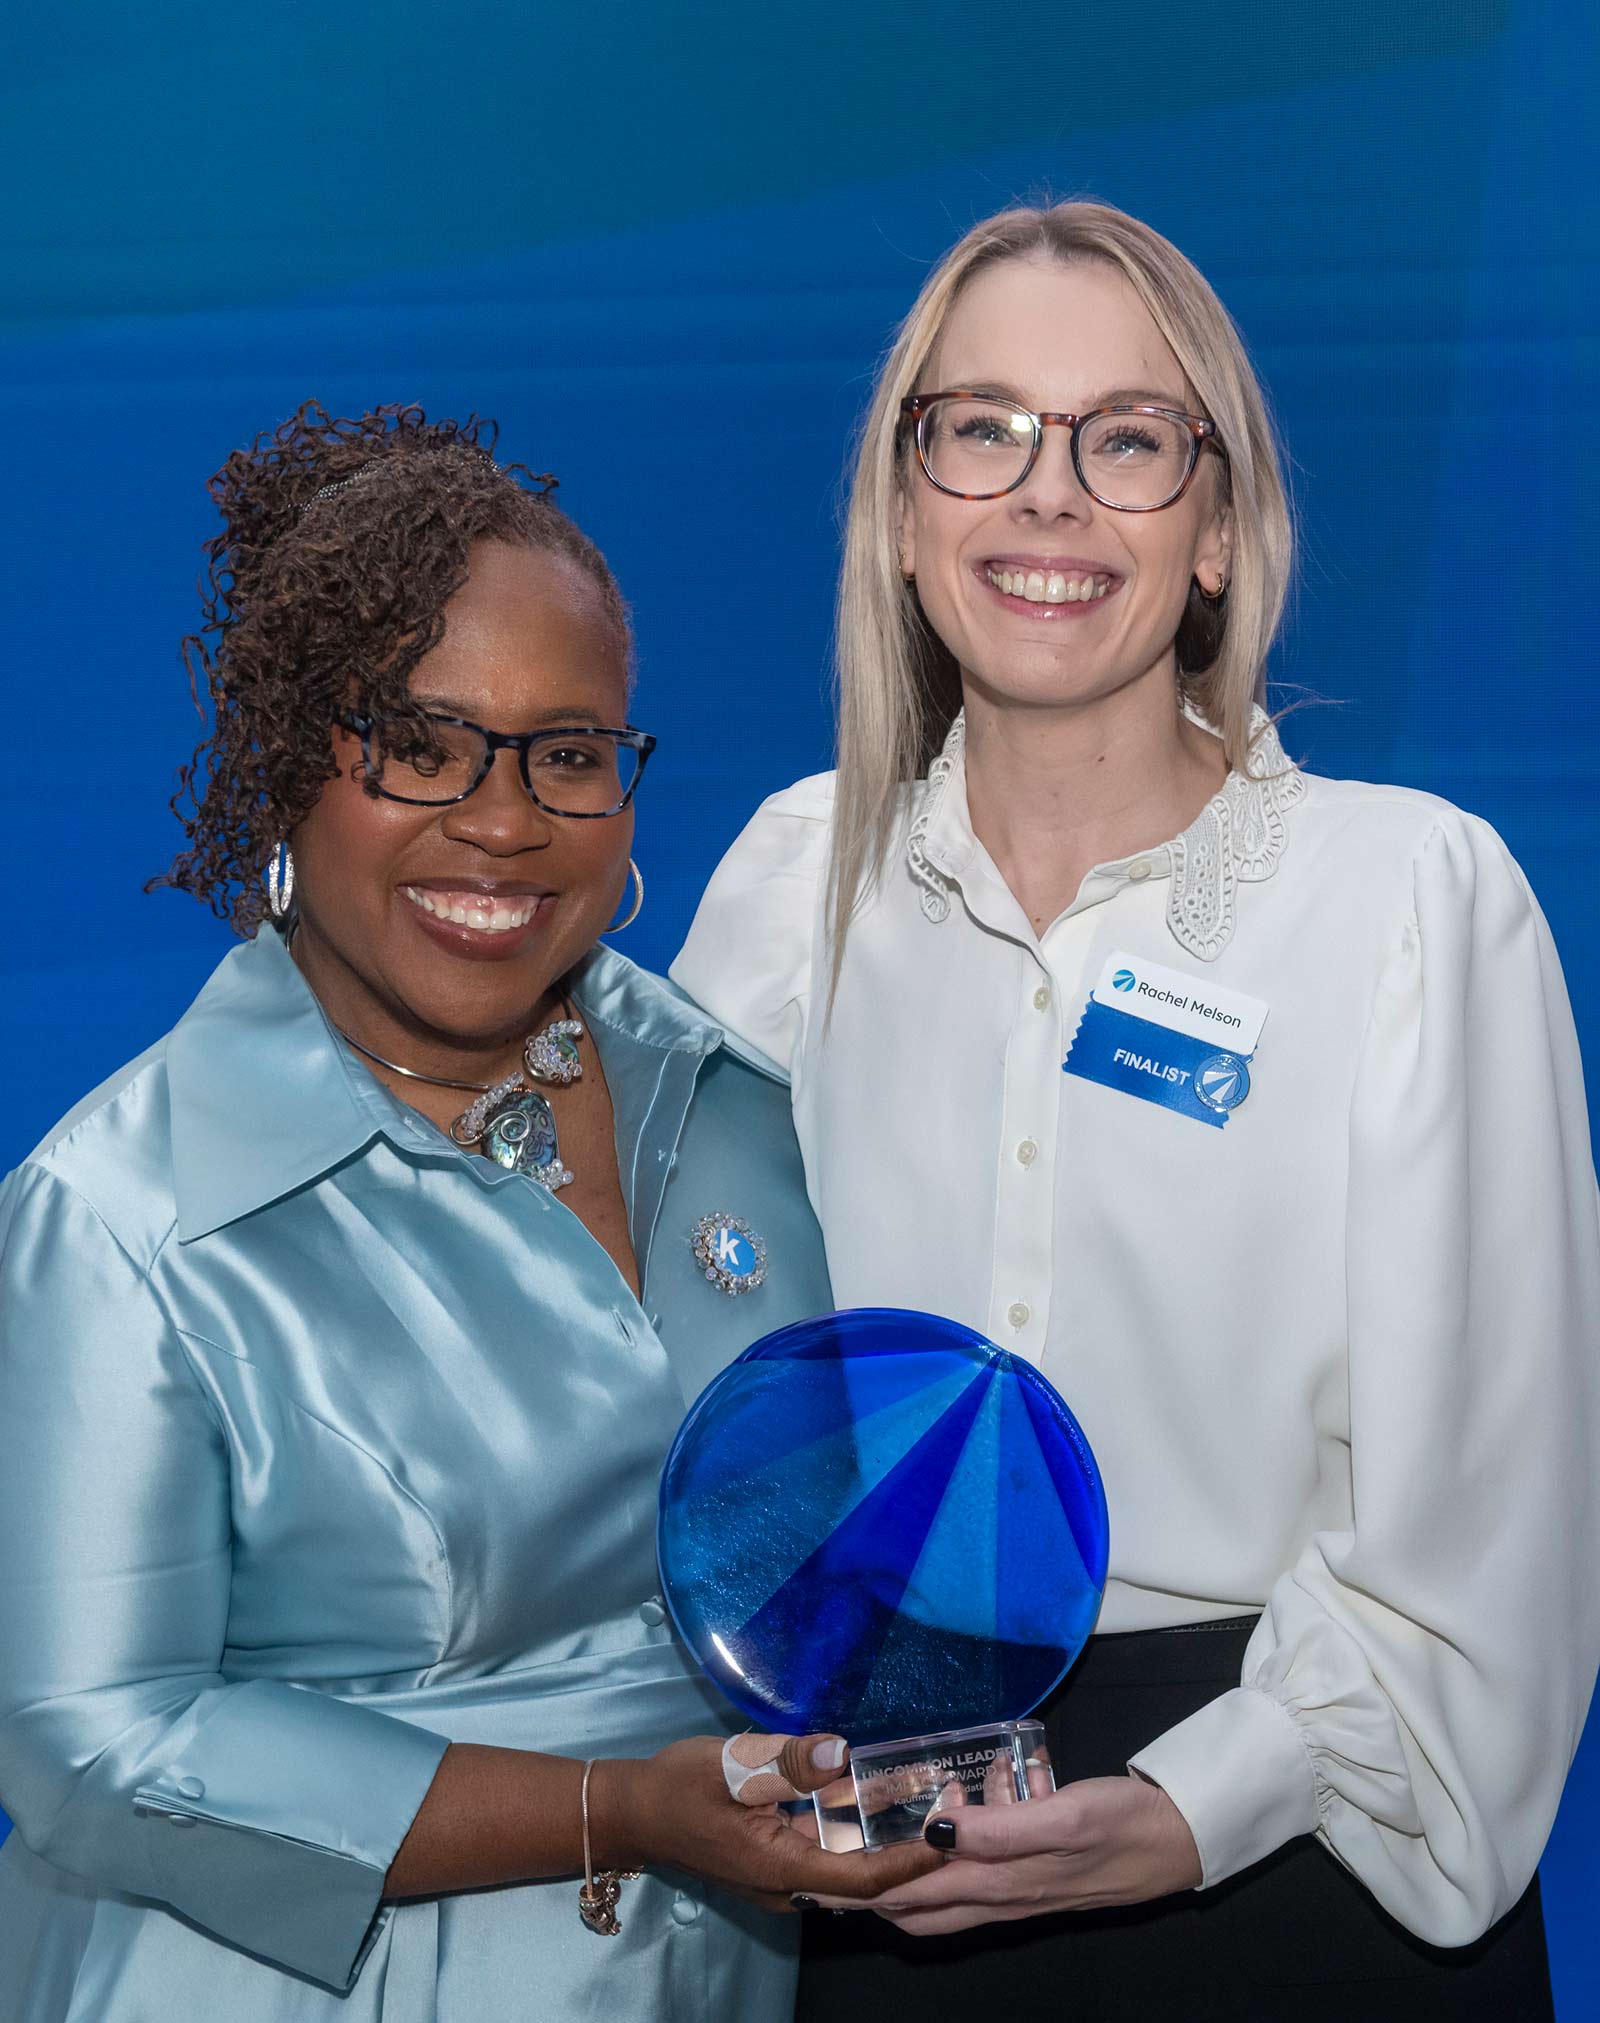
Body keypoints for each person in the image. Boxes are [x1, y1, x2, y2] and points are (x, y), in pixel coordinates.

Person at [673, 201, 1600, 2018]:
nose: (1048, 494)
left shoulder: (1411, 895)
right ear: (905, 508)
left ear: (1218, 531)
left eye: (1128, 440)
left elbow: (1499, 1514)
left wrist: (1193, 1803)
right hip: (874, 1858)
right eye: (986, 427)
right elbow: (680, 1394)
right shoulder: (795, 887)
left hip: (1298, 1867)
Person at [0, 403, 935, 2023]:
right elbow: (98, 1743)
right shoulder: (123, 1217)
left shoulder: (724, 1105)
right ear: (291, 770)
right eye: (420, 746)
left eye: (570, 755)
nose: (503, 820)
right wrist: (620, 1808)